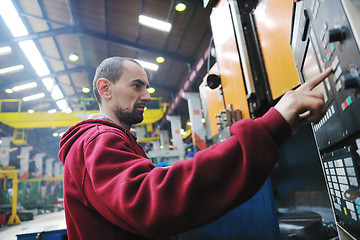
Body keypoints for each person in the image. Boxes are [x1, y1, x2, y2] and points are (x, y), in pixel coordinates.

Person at [58, 57, 333, 240]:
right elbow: (155, 200)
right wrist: (269, 127)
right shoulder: (96, 140)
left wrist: (277, 133)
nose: (147, 95)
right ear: (104, 88)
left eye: (147, 86)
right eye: (137, 86)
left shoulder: (113, 139)